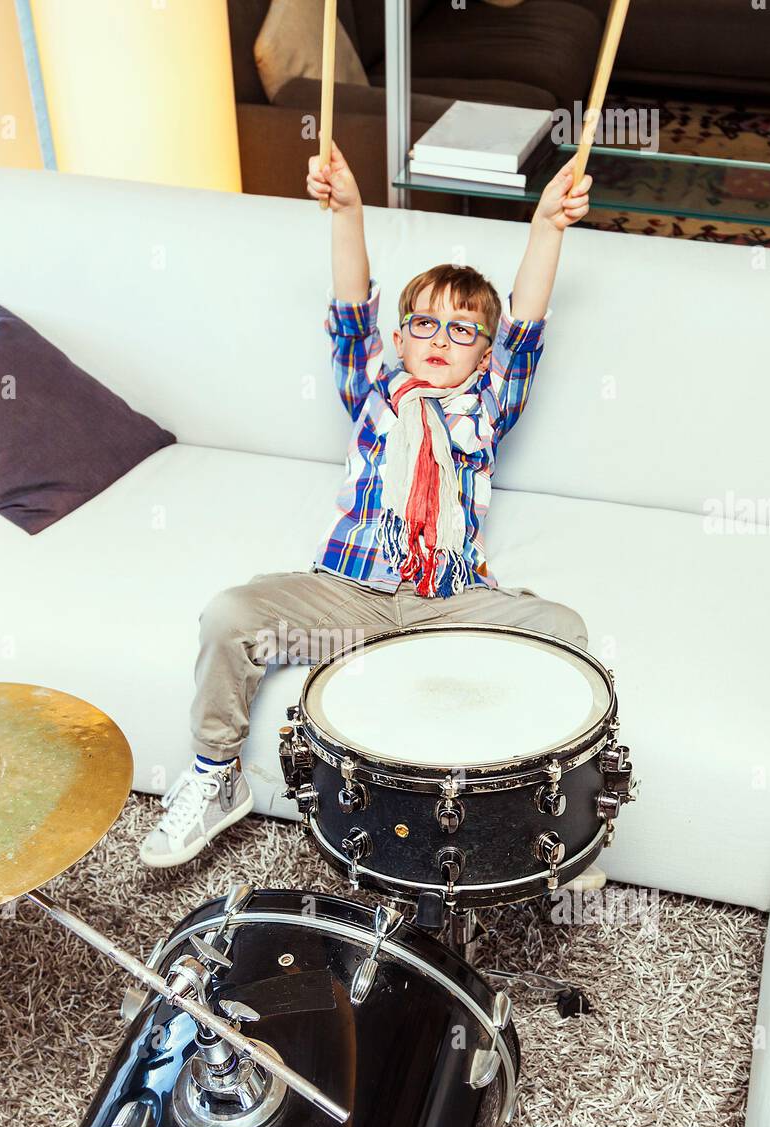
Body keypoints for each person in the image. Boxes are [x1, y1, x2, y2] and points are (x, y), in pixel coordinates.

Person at [140, 142, 594, 869]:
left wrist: (547, 227)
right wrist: (348, 210)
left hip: (446, 604)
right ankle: (216, 778)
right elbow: (350, 310)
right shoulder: (372, 393)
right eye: (423, 323)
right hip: (349, 602)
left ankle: (542, 815)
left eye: (463, 329)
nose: (441, 339)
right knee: (231, 614)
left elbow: (527, 323)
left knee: (564, 630)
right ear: (400, 338)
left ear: (485, 353)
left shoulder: (488, 405)